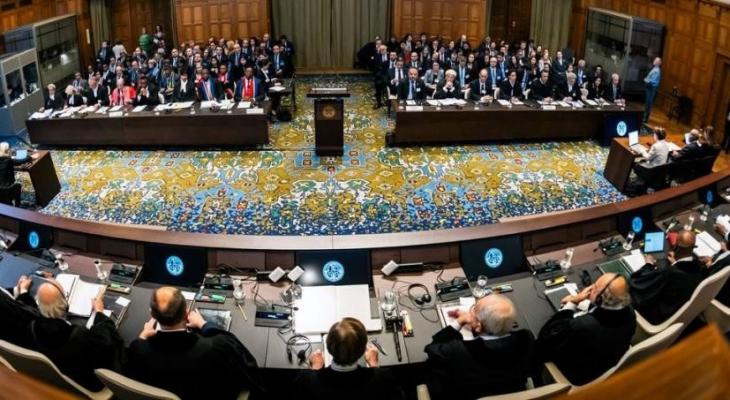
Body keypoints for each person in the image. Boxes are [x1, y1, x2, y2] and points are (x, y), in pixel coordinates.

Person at [124, 287, 263, 399]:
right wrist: (204, 324)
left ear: (152, 315)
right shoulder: (215, 347)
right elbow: (249, 364)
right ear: (186, 315)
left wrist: (143, 335)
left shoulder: (138, 348)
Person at [22, 278, 123, 392]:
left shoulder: (32, 327)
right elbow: (107, 343)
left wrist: (23, 292)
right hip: (90, 383)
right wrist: (99, 312)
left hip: (60, 379)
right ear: (64, 304)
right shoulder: (78, 335)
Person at [424, 294, 534, 399]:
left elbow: (432, 349)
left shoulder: (457, 350)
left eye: (474, 310)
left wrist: (459, 321)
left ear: (478, 326)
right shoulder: (526, 338)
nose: (471, 312)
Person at [537, 273, 635, 385]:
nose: (591, 287)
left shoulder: (582, 326)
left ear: (599, 299)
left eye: (595, 287)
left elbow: (545, 339)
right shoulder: (630, 313)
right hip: (607, 366)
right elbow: (607, 313)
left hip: (579, 376)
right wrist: (583, 301)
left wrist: (572, 303)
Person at [294, 318, 403, 400]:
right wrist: (374, 365)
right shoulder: (383, 378)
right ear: (363, 350)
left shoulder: (306, 380)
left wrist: (315, 369)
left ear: (328, 346)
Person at [630, 230, 709, 324]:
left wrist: (648, 264)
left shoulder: (670, 273)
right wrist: (675, 262)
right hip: (679, 312)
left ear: (676, 247)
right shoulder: (699, 266)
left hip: (658, 316)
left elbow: (637, 282)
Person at [644, 57, 662, 122]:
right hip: (650, 87)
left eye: (655, 60)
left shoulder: (657, 70)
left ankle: (646, 117)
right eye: (654, 60)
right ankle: (645, 116)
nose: (654, 61)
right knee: (647, 102)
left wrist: (646, 80)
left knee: (649, 102)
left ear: (658, 63)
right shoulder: (654, 69)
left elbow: (652, 81)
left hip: (651, 88)